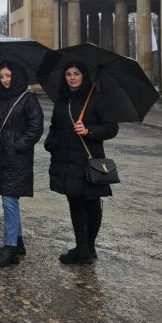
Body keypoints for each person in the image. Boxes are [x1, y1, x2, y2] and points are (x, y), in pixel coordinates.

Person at [44, 62, 118, 265]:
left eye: (76, 73)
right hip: (66, 159)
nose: (72, 77)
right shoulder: (62, 100)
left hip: (89, 160)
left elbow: (111, 128)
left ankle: (87, 247)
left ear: (83, 76)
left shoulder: (96, 98)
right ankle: (82, 247)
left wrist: (89, 131)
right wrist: (50, 142)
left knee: (92, 204)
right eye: (68, 74)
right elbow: (55, 126)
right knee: (75, 204)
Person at [0, 61, 44, 267]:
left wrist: (17, 146)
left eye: (8, 75)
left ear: (16, 75)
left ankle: (9, 246)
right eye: (1, 76)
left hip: (17, 156)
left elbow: (36, 128)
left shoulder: (28, 98)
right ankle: (17, 242)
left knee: (9, 200)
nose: (4, 80)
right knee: (8, 197)